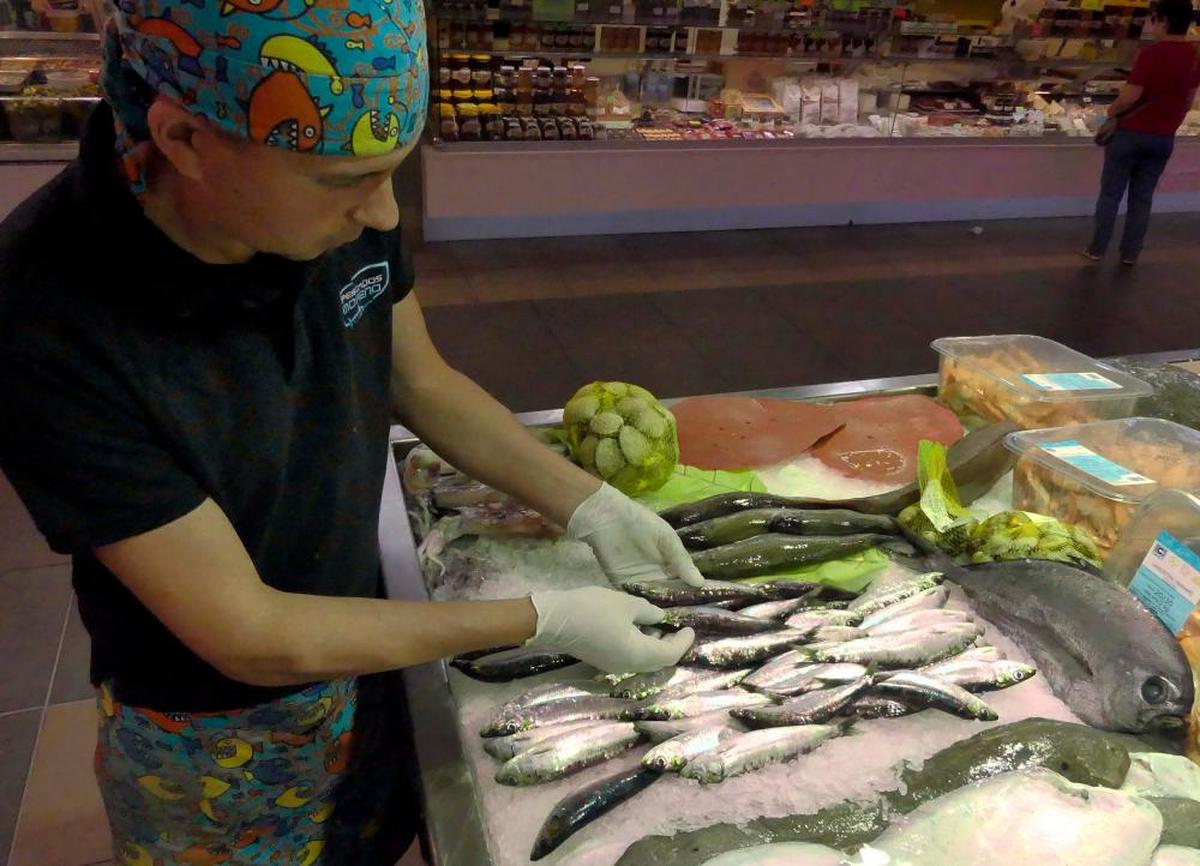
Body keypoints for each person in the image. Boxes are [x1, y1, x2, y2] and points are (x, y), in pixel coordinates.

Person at [0, 0, 700, 862]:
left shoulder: (328, 204)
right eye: (346, 182)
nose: (380, 215)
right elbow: (250, 634)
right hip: (213, 720)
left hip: (370, 635)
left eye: (391, 173)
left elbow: (422, 380)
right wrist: (539, 618)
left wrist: (587, 503)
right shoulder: (45, 317)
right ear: (183, 140)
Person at [1085, 0, 1200, 265]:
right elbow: (1187, 100)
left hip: (1130, 135)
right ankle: (1130, 254)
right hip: (1163, 138)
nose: (1150, 24)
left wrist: (1111, 112)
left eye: (1152, 19)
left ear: (1164, 20)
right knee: (1143, 197)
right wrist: (1170, 123)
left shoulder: (1150, 54)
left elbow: (1129, 97)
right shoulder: (1194, 57)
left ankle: (1097, 249)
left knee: (1111, 194)